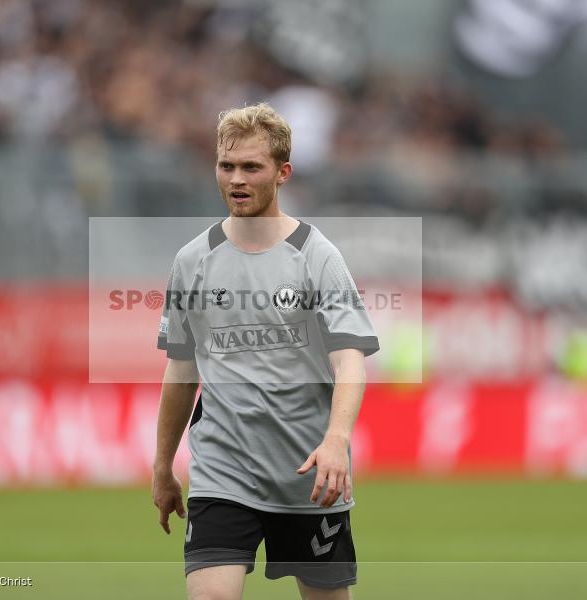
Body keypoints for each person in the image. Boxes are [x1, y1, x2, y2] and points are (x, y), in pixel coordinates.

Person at [152, 103, 379, 600]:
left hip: (308, 475)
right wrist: (163, 465)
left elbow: (349, 361)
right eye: (226, 165)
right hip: (222, 470)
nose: (236, 178)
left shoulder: (317, 256)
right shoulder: (192, 261)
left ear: (282, 173)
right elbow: (182, 371)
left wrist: (337, 439)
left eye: (251, 167)